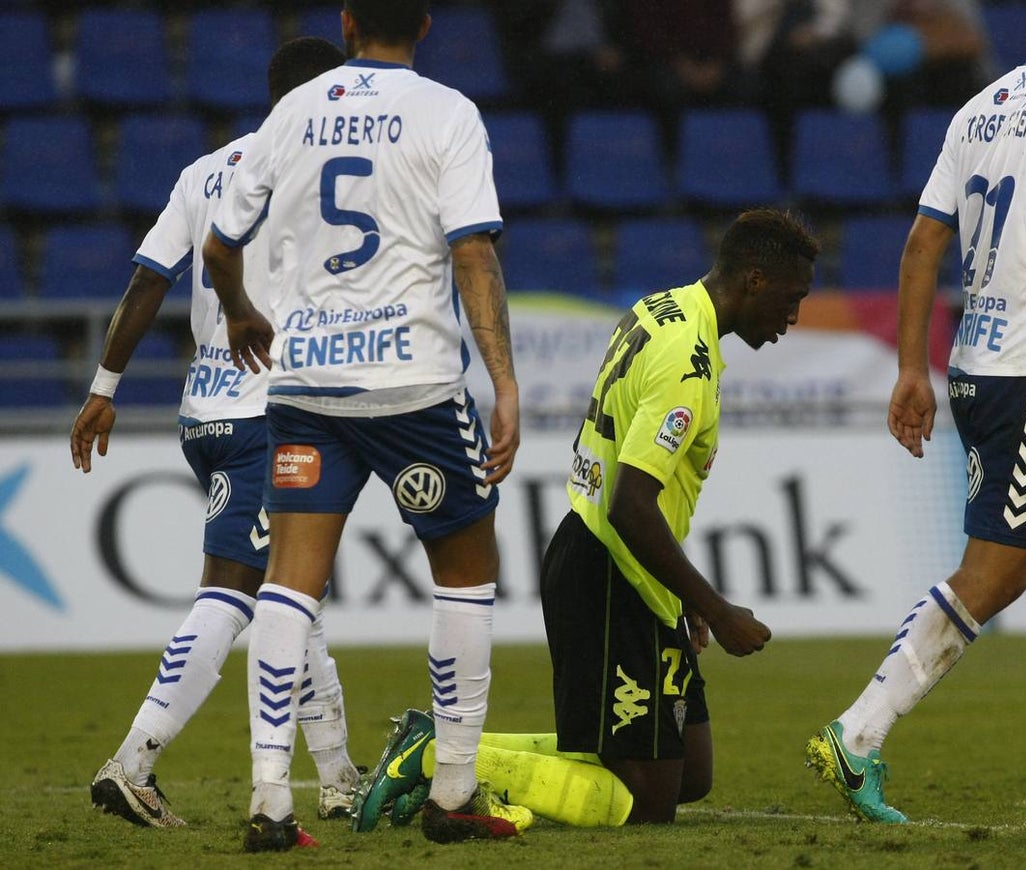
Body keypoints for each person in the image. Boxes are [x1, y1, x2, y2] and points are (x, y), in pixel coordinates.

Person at [350, 209, 820, 829]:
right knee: (647, 801)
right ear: (756, 280)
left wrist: (683, 600)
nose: (794, 318)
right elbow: (631, 506)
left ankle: (440, 747)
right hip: (608, 570)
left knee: (692, 775)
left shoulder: (665, 307)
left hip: (620, 566)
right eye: (793, 299)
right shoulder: (688, 361)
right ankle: (436, 755)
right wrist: (716, 606)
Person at [806, 0, 1026, 823]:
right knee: (995, 574)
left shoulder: (982, 106)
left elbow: (924, 241)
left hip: (985, 368)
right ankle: (856, 736)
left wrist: (909, 371)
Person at [202, 0, 525, 851]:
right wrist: (504, 382)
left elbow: (218, 245)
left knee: (288, 583)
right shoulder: (449, 112)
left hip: (305, 383)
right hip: (413, 385)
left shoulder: (290, 112)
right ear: (423, 23)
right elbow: (473, 252)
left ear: (345, 22)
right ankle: (453, 791)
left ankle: (271, 799)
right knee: (465, 569)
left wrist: (239, 311)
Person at [70, 37, 359, 836]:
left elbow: (145, 280)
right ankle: (134, 761)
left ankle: (337, 776)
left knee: (291, 589)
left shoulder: (204, 172)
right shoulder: (320, 175)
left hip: (206, 416)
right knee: (234, 591)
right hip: (277, 413)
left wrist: (104, 390)